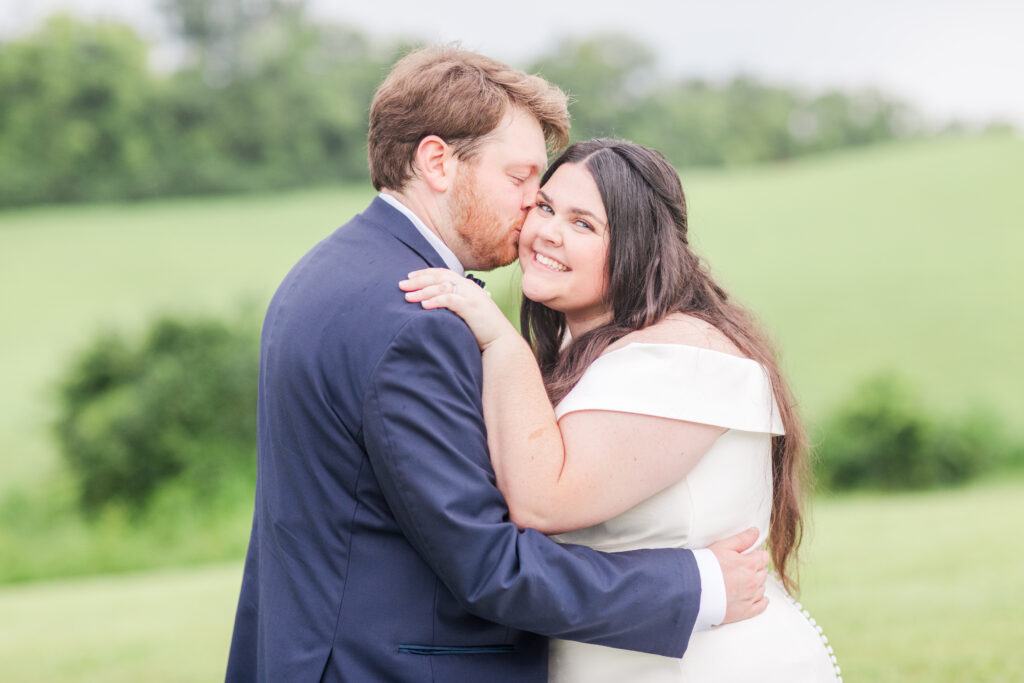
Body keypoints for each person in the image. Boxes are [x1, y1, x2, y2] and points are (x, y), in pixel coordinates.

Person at [226, 48, 770, 682]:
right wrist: (700, 585)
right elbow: (488, 566)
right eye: (520, 179)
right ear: (437, 162)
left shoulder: (328, 272)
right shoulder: (419, 317)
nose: (532, 206)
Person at [401, 138, 842, 681]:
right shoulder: (584, 351)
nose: (547, 233)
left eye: (583, 224)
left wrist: (501, 341)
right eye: (545, 206)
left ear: (639, 247)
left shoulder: (680, 355)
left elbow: (542, 503)